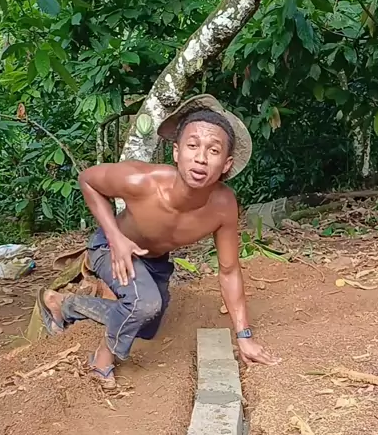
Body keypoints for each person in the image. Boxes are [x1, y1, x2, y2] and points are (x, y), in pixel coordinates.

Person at [38, 94, 278, 389]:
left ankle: (63, 304)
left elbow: (229, 271)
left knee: (147, 326)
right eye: (192, 146)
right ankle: (101, 360)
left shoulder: (223, 206)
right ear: (177, 152)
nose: (201, 158)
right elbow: (88, 180)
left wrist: (244, 336)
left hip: (155, 261)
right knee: (143, 304)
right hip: (110, 247)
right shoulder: (143, 181)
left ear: (226, 164)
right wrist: (116, 237)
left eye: (213, 150)